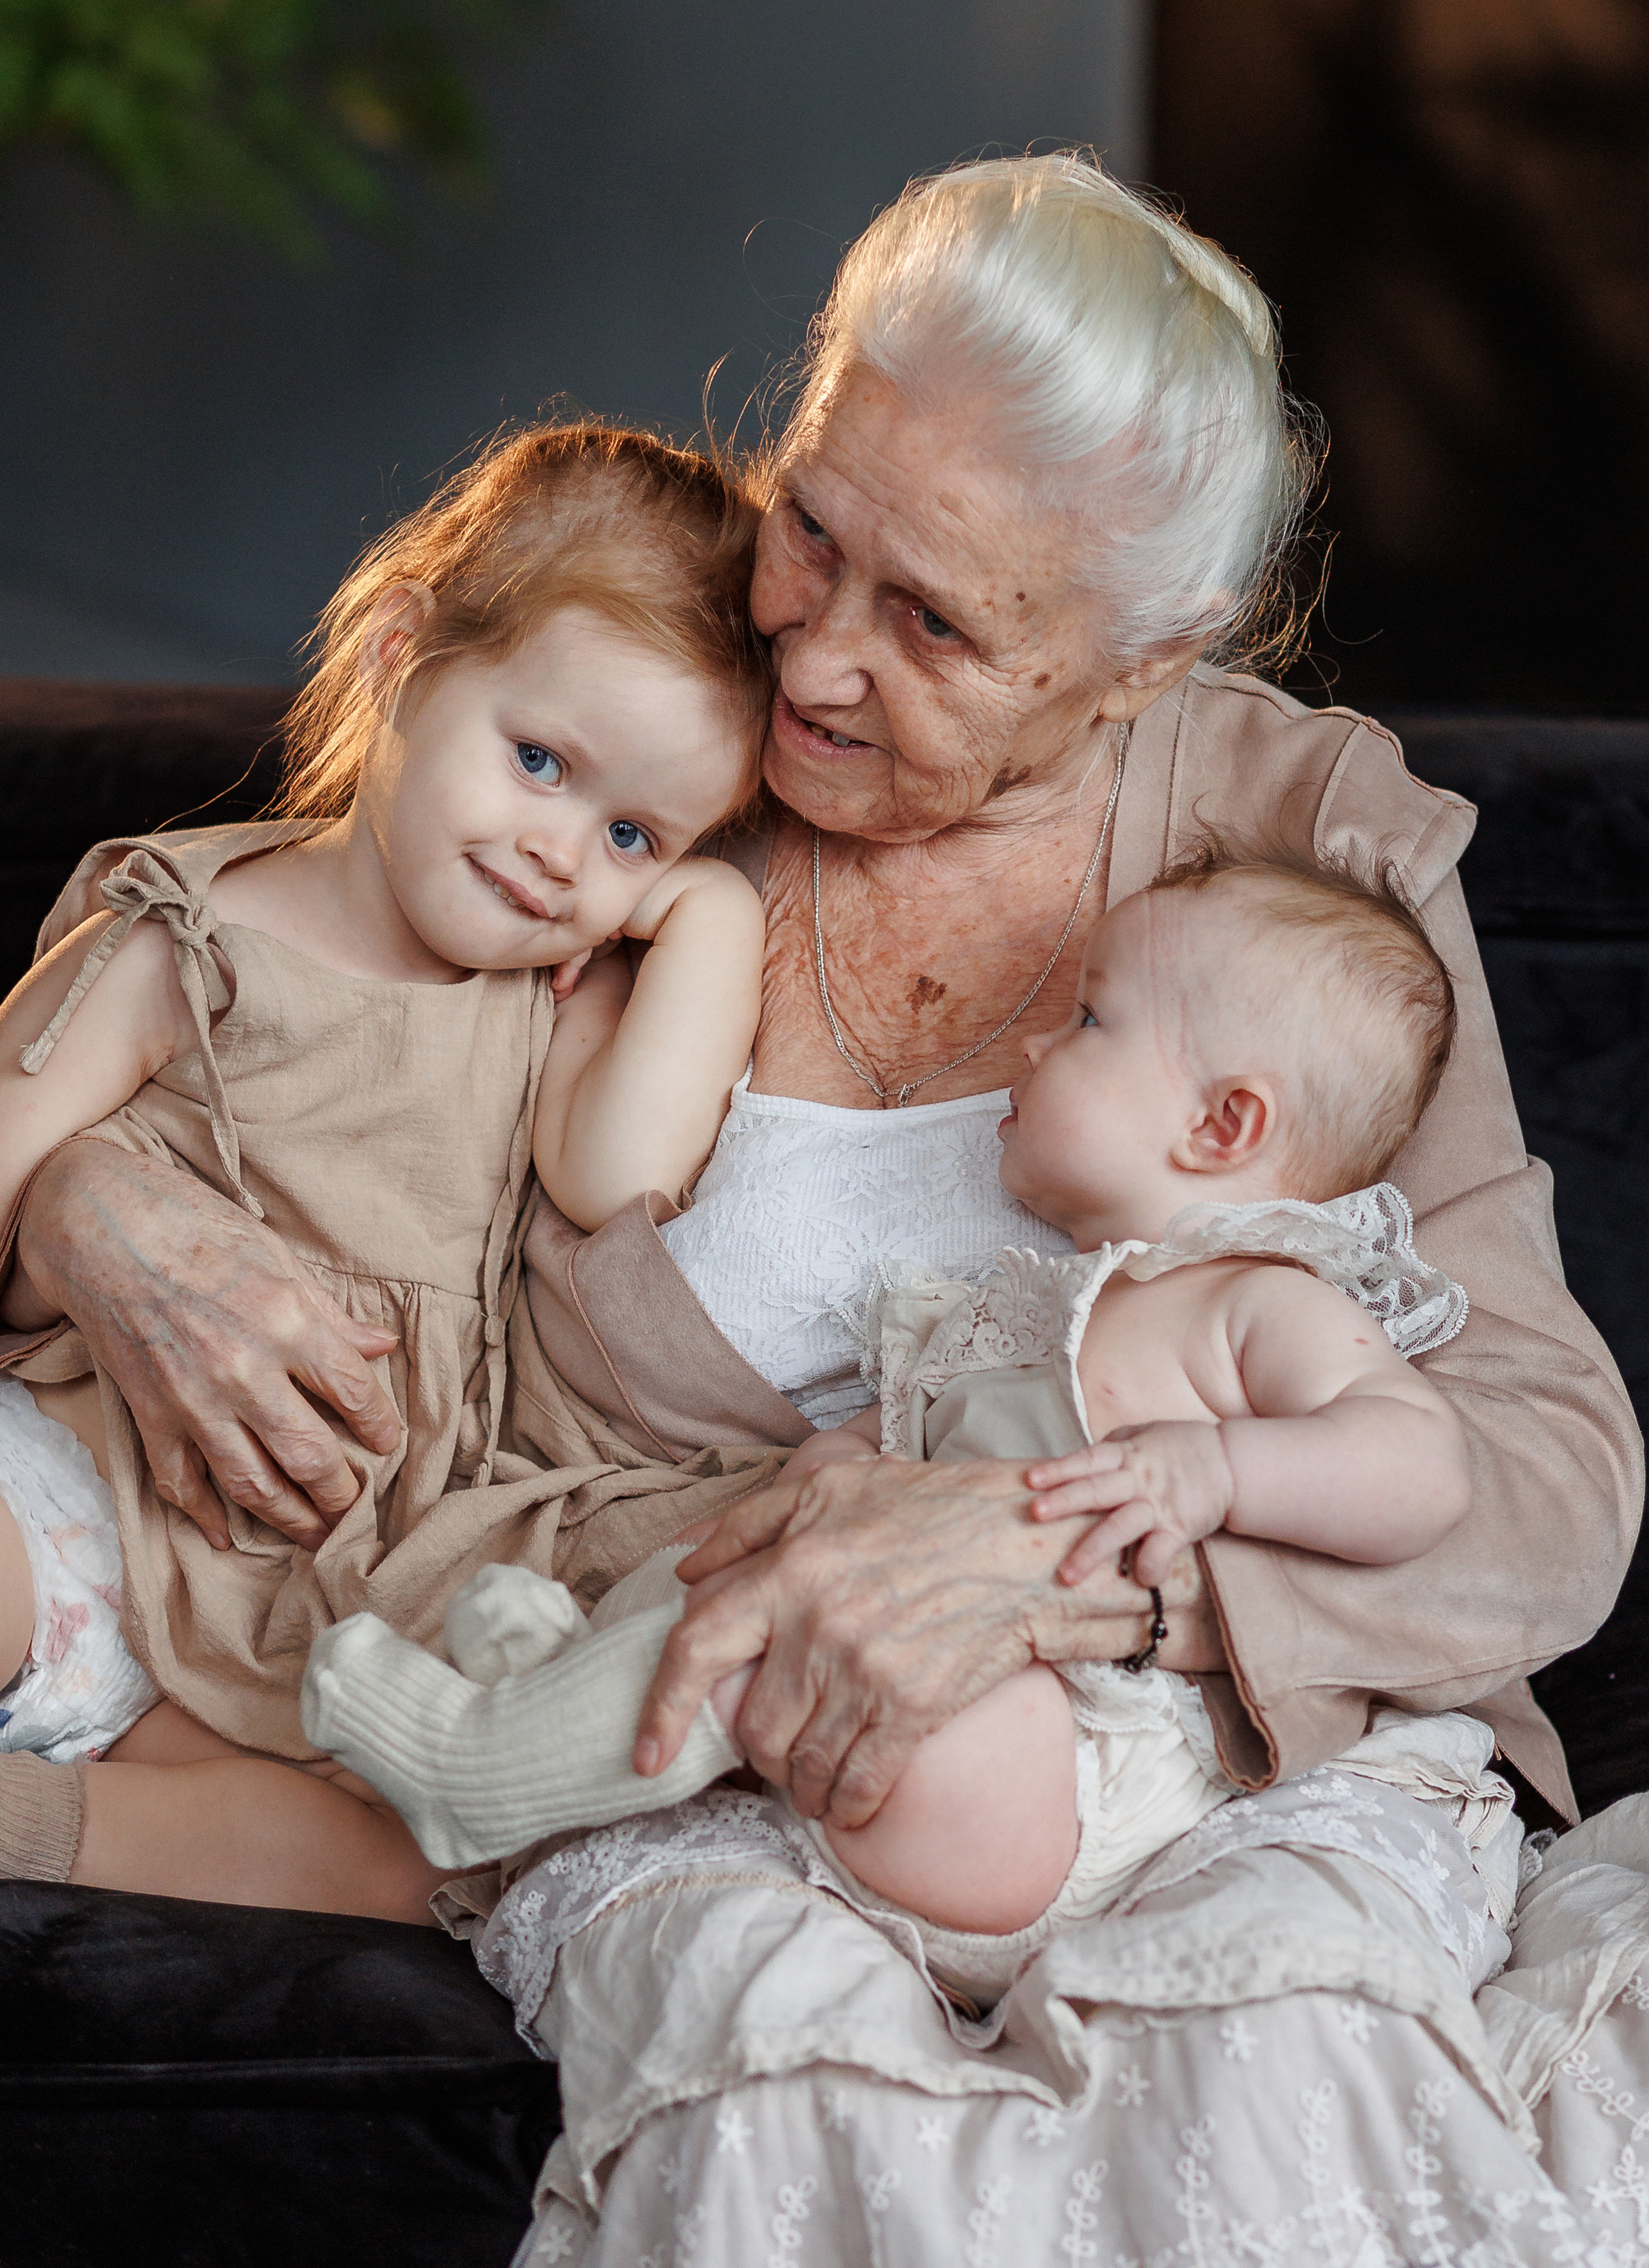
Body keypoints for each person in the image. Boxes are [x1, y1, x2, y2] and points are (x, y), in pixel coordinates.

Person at [3, 153, 1644, 2261]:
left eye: (935, 621)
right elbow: (274, 998)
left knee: (1262, 2100)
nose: (814, 654)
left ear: (1141, 662)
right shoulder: (651, 731)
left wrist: (1063, 1569)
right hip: (715, 1734)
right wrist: (86, 1199)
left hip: (1188, 1750)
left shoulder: (1299, 847)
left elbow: (1547, 1475)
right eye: (813, 525)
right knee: (775, 2110)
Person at [304, 847, 1487, 2014]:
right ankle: (564, 1692)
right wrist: (839, 1462)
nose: (1035, 1045)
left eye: (1088, 1021)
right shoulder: (1027, 1302)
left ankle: (479, 1770)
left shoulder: (1261, 1302)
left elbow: (1421, 1468)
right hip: (914, 1753)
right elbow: (910, 1437)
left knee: (797, 1619)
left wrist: (1218, 1469)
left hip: (1067, 1778)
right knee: (734, 1561)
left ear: (1222, 1126)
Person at [0, 420, 773, 1915]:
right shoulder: (187, 940)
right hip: (69, 1489)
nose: (561, 855)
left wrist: (709, 916)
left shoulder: (547, 1002)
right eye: (539, 762)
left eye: (631, 832)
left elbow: (618, 1177)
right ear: (401, 656)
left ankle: (30, 1825)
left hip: (298, 1607)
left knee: (429, 1865)